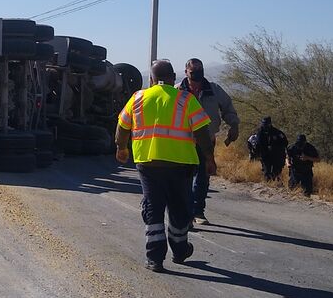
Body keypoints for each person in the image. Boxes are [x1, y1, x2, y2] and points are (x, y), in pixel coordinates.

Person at [115, 60, 213, 272]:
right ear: (174, 78)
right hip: (181, 164)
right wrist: (209, 157)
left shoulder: (138, 98)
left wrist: (121, 148)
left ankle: (155, 259)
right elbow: (202, 132)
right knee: (180, 208)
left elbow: (122, 126)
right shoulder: (186, 99)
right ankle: (179, 251)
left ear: (151, 79)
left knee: (153, 208)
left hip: (148, 164)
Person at [178, 58, 241, 224]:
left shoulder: (213, 90)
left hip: (207, 140)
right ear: (186, 72)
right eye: (193, 71)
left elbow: (227, 107)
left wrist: (234, 125)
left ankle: (198, 212)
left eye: (200, 70)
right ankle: (186, 212)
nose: (198, 74)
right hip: (183, 141)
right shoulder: (178, 91)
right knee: (183, 178)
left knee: (203, 177)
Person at [252, 117, 288, 182]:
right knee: (267, 171)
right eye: (264, 124)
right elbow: (256, 144)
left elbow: (285, 142)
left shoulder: (277, 132)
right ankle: (268, 184)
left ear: (270, 124)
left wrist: (275, 147)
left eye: (266, 124)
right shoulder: (260, 133)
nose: (265, 125)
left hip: (276, 155)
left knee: (276, 171)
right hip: (265, 155)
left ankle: (276, 184)